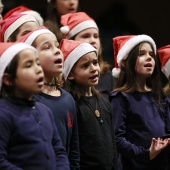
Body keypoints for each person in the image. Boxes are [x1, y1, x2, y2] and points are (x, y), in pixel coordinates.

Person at [17, 26, 80, 170]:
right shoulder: (29, 100)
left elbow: (73, 149)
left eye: (57, 46)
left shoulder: (68, 99)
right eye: (47, 47)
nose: (57, 50)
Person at [0, 42, 69, 170]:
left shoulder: (44, 111)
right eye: (28, 65)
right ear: (8, 79)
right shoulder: (3, 114)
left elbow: (59, 151)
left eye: (38, 63)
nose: (38, 69)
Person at [110, 34, 170, 170]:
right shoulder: (121, 98)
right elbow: (117, 139)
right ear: (125, 63)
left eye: (151, 54)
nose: (149, 57)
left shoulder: (160, 96)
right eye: (141, 54)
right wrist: (146, 153)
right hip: (135, 164)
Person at [60, 39, 118, 170]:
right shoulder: (72, 104)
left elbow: (113, 144)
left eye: (95, 62)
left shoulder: (104, 102)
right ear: (70, 75)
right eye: (85, 66)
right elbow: (72, 147)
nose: (93, 69)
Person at [60, 12, 115, 100]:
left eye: (96, 36)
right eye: (86, 36)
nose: (93, 40)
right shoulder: (65, 79)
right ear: (71, 41)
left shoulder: (107, 75)